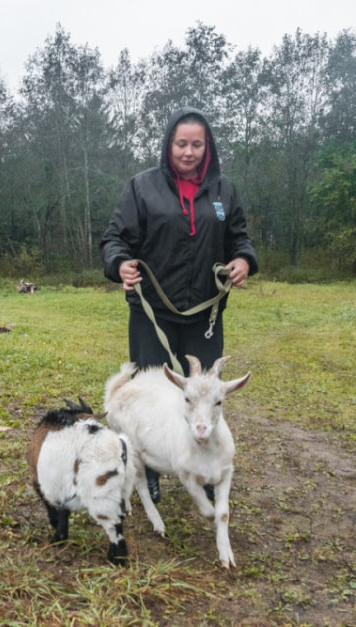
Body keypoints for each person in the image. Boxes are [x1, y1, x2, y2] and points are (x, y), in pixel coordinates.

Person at [100, 106, 258, 503]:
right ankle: (147, 470)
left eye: (197, 145)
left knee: (201, 393)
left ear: (208, 148)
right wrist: (121, 264)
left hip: (203, 313)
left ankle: (201, 466)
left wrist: (243, 260)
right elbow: (114, 239)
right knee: (151, 395)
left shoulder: (224, 190)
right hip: (152, 311)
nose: (188, 152)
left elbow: (239, 239)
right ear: (168, 144)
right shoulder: (142, 188)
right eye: (181, 144)